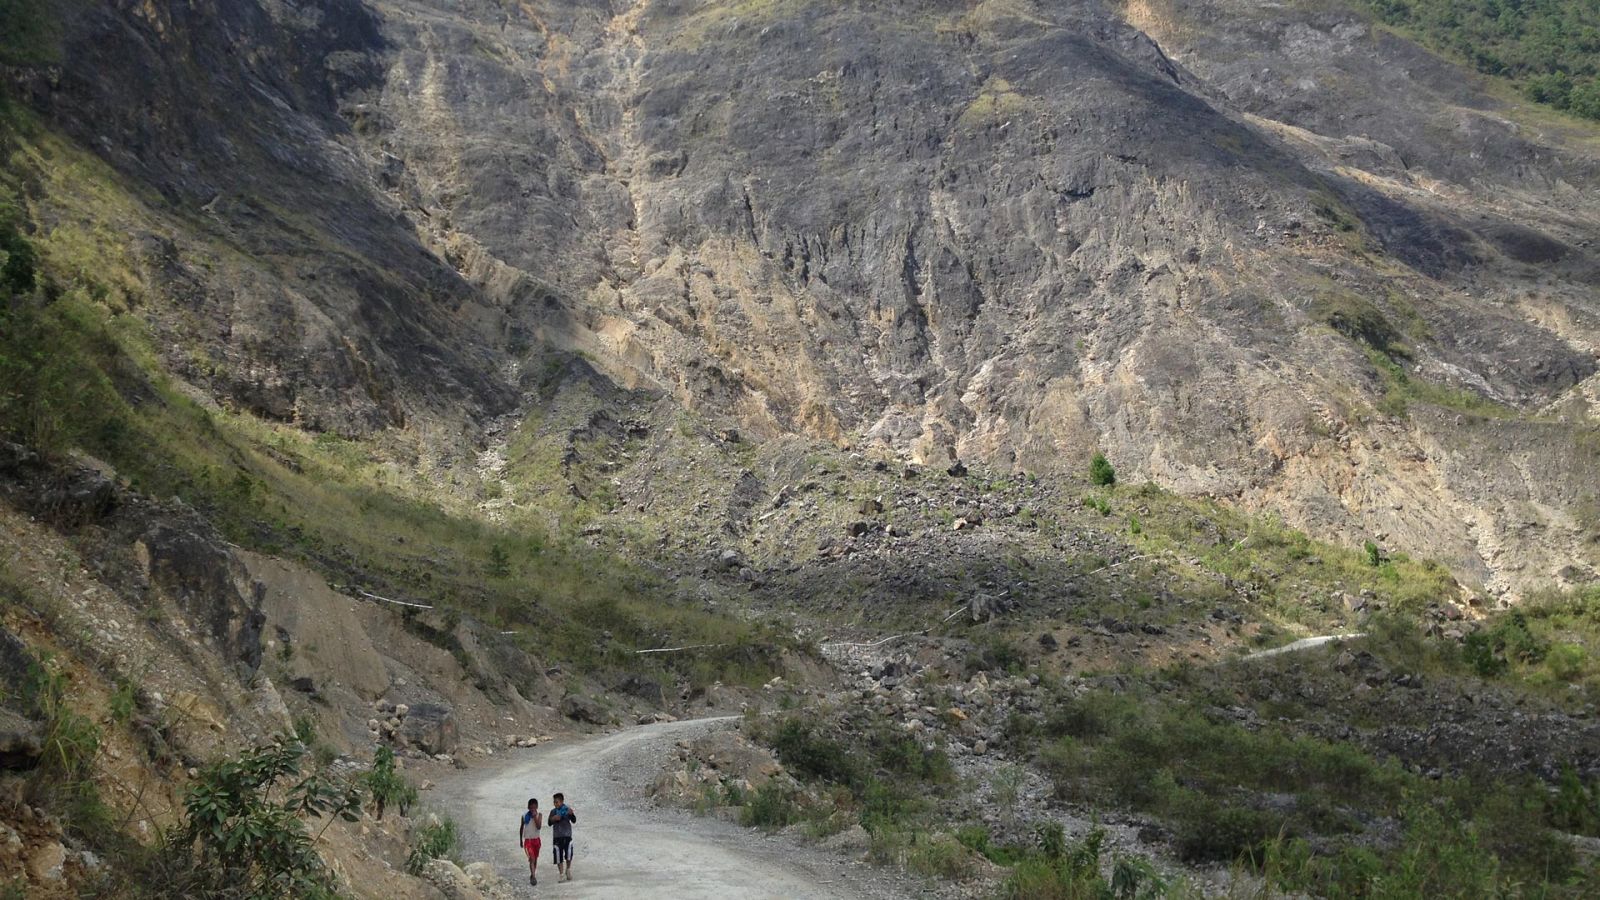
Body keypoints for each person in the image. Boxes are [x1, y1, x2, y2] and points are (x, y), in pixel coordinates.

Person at [548, 792, 577, 882]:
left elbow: (574, 820)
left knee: (568, 854)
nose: (555, 804)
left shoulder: (567, 810)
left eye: (557, 802)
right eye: (554, 802)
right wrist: (553, 819)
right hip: (557, 836)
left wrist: (571, 814)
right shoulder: (553, 812)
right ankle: (561, 874)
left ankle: (568, 870)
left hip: (567, 835)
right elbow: (549, 823)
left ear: (562, 801)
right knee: (558, 856)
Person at [519, 798, 542, 886]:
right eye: (531, 808)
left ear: (537, 807)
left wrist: (535, 817)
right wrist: (521, 840)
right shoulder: (524, 816)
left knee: (535, 859)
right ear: (528, 807)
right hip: (528, 841)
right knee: (531, 858)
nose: (532, 810)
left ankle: (532, 874)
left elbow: (539, 826)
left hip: (536, 840)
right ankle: (533, 876)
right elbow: (521, 828)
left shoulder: (539, 815)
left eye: (534, 808)